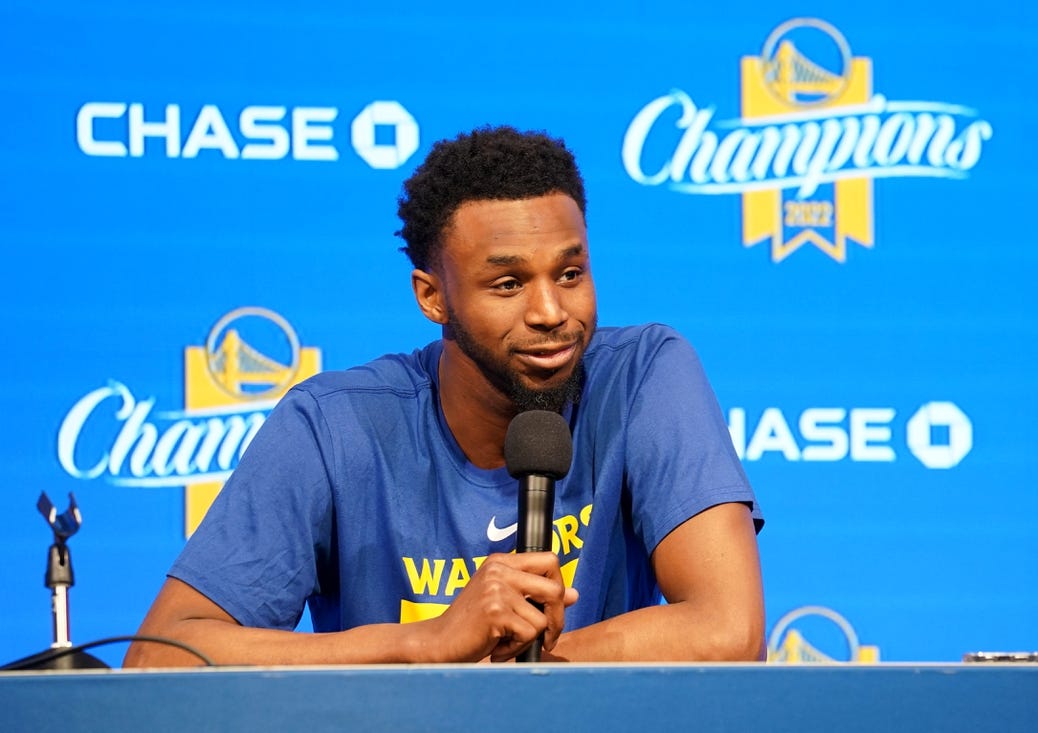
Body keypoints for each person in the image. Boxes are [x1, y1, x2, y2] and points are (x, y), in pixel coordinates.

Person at [124, 125, 765, 666]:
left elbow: (730, 630)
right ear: (433, 297)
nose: (551, 311)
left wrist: (510, 675)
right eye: (508, 283)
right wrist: (424, 645)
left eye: (570, 274)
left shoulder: (644, 376)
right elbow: (162, 654)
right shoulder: (332, 428)